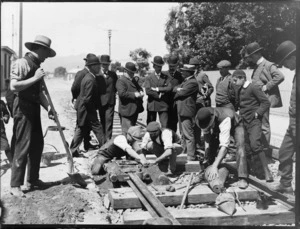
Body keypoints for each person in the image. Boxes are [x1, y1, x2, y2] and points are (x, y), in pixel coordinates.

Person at [9, 35, 56, 197]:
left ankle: (33, 179)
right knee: (22, 145)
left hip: (34, 108)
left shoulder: (37, 65)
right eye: (46, 53)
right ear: (40, 49)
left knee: (37, 144)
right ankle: (15, 184)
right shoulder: (22, 63)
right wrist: (35, 77)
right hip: (22, 108)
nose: (46, 58)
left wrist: (48, 107)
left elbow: (41, 92)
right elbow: (14, 86)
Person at [243, 42, 284, 157]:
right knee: (258, 123)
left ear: (256, 54)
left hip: (265, 99)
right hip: (258, 99)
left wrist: (267, 87)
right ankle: (259, 149)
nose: (249, 58)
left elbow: (280, 76)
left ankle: (265, 152)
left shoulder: (268, 65)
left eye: (250, 56)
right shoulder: (257, 66)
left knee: (264, 126)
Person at [232, 69, 273, 182]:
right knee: (247, 147)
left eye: (236, 80)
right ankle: (252, 171)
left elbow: (266, 102)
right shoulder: (239, 88)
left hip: (254, 121)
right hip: (244, 121)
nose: (234, 82)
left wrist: (257, 113)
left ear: (242, 78)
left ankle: (267, 173)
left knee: (255, 145)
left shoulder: (253, 87)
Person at [195, 107, 248, 189]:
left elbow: (224, 147)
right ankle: (207, 171)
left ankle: (243, 177)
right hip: (218, 124)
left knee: (240, 146)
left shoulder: (224, 120)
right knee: (212, 144)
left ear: (212, 121)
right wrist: (207, 151)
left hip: (236, 124)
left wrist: (215, 166)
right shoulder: (202, 117)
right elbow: (206, 135)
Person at [269, 41, 296, 195]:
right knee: (285, 151)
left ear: (292, 57)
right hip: (293, 121)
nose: (284, 66)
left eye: (285, 62)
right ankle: (285, 184)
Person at [70, 55, 105, 157]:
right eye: (98, 65)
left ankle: (72, 151)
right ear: (92, 66)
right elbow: (87, 99)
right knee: (98, 128)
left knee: (81, 129)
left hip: (84, 109)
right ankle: (106, 149)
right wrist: (92, 112)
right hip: (87, 110)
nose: (99, 67)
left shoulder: (88, 77)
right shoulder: (90, 79)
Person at [174, 64, 199, 161]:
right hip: (182, 110)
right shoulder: (186, 81)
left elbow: (181, 93)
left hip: (186, 111)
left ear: (188, 72)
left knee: (188, 135)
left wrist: (178, 90)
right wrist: (178, 89)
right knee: (183, 134)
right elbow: (175, 88)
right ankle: (184, 152)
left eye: (183, 71)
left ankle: (191, 156)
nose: (182, 72)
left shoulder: (192, 82)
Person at [189, 57, 214, 151]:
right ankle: (197, 142)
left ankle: (209, 145)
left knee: (205, 123)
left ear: (198, 66)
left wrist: (205, 95)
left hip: (202, 102)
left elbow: (211, 87)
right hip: (194, 103)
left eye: (195, 66)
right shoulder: (190, 75)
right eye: (192, 66)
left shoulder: (202, 75)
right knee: (195, 124)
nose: (194, 67)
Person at [116, 62, 144, 135]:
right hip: (126, 111)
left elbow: (139, 88)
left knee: (132, 132)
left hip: (134, 110)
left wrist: (141, 91)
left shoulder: (133, 80)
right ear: (125, 71)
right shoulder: (121, 81)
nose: (133, 75)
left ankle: (130, 144)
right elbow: (122, 94)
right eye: (131, 73)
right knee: (127, 132)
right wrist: (134, 94)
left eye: (133, 73)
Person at [144, 56, 172, 128]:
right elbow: (148, 90)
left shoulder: (166, 77)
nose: (160, 68)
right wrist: (159, 95)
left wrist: (158, 89)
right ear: (154, 66)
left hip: (163, 104)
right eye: (158, 66)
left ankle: (164, 138)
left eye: (161, 66)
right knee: (151, 126)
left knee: (165, 126)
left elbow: (169, 88)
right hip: (152, 104)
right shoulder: (149, 77)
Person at [98, 55, 118, 142]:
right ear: (100, 65)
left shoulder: (113, 74)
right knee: (102, 122)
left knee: (109, 122)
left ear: (108, 65)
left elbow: (116, 86)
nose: (104, 66)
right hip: (101, 102)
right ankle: (103, 142)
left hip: (110, 101)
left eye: (106, 64)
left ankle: (108, 141)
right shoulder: (97, 75)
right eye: (103, 64)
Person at [163, 55, 183, 132]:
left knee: (174, 122)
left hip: (175, 102)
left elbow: (182, 86)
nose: (171, 68)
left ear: (177, 65)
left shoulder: (180, 75)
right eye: (170, 66)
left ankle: (173, 138)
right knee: (165, 122)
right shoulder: (164, 74)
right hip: (165, 102)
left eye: (173, 66)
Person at [1, 99, 13, 163]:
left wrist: (6, 117)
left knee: (6, 146)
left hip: (0, 130)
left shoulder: (1, 103)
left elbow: (6, 113)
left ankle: (12, 163)